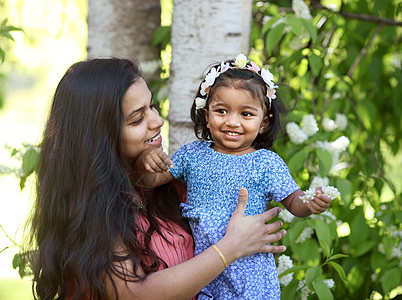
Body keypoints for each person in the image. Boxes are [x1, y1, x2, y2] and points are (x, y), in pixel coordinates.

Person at [27, 57, 288, 300]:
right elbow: (133, 294)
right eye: (138, 118)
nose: (158, 121)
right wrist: (231, 248)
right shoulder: (89, 209)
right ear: (100, 137)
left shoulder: (167, 184)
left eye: (152, 106)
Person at [135, 54, 333, 299]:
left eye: (246, 114)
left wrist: (309, 203)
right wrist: (146, 160)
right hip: (205, 269)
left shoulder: (266, 163)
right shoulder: (191, 155)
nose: (232, 122)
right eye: (221, 110)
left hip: (251, 272)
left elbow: (293, 201)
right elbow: (150, 181)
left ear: (263, 122)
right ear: (206, 115)